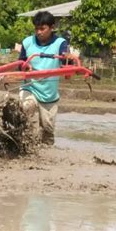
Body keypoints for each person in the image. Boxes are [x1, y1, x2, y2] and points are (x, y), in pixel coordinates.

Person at [18, 11, 77, 146]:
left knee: (48, 131)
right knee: (24, 109)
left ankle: (47, 153)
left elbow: (65, 64)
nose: (39, 32)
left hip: (49, 94)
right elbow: (20, 63)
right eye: (36, 29)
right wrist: (25, 67)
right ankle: (25, 144)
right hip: (30, 88)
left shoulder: (61, 43)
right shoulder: (27, 42)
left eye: (42, 28)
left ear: (52, 27)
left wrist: (70, 61)